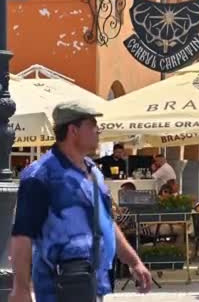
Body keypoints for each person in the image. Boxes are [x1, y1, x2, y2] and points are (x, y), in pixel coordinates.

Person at [10, 102, 152, 302]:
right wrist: (21, 288)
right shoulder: (41, 175)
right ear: (73, 130)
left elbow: (105, 222)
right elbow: (22, 235)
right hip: (59, 286)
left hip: (94, 283)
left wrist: (134, 261)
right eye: (93, 125)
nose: (98, 130)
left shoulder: (93, 171)